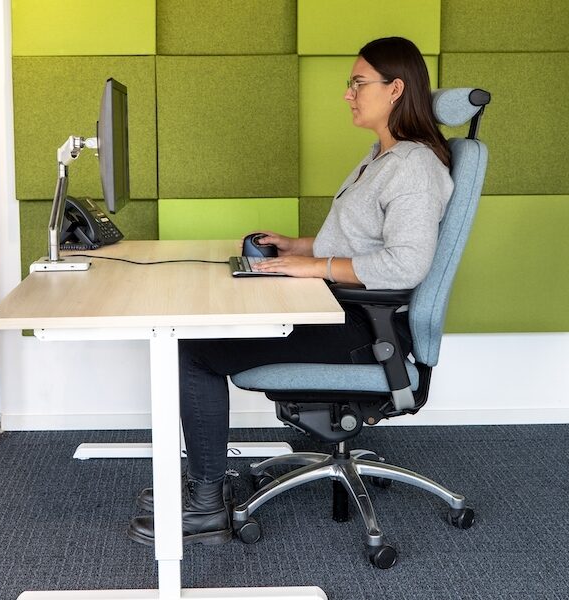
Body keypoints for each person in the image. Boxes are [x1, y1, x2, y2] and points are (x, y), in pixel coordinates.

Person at [127, 36, 454, 547]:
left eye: (358, 83)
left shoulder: (414, 166)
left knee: (193, 351)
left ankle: (206, 505)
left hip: (365, 331)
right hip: (340, 310)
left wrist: (313, 266)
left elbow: (405, 265)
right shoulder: (382, 157)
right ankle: (205, 485)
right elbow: (359, 241)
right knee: (200, 339)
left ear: (395, 89)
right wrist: (294, 247)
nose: (348, 94)